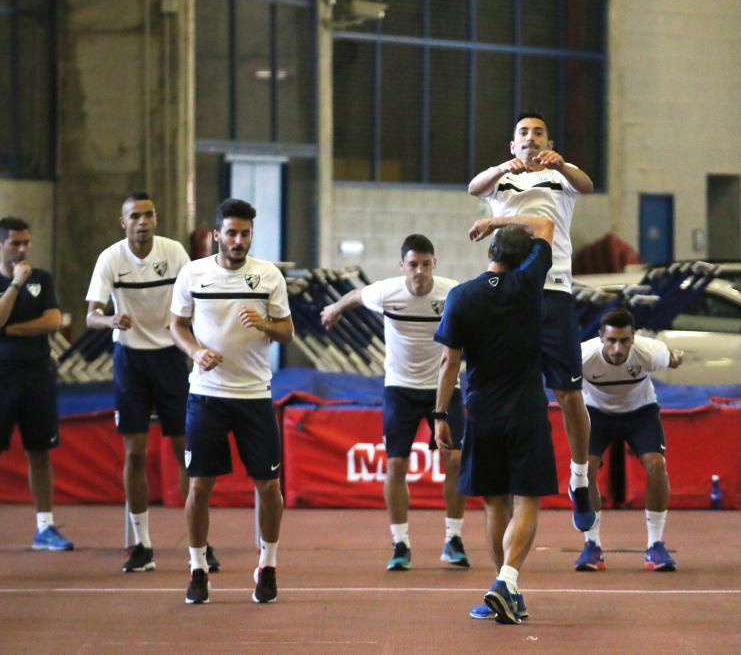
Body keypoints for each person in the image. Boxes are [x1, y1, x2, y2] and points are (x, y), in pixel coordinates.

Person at [468, 112, 596, 532]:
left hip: (553, 288)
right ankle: (508, 482)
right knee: (513, 391)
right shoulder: (500, 179)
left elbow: (587, 185)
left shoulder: (561, 177)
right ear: (512, 144)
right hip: (507, 288)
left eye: (538, 132)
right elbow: (473, 187)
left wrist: (561, 164)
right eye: (522, 132)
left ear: (548, 140)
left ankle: (579, 478)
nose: (530, 137)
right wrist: (505, 168)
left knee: (569, 394)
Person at [86, 192, 219, 574]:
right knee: (135, 453)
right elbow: (92, 315)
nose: (143, 222)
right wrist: (110, 320)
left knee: (185, 451)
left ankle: (201, 543)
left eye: (149, 215)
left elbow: (199, 295)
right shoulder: (110, 259)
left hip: (170, 358)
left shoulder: (174, 252)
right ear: (123, 222)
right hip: (130, 360)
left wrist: (190, 329)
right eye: (135, 216)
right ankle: (142, 544)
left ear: (155, 220)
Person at [433, 214, 556, 625]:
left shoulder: (461, 296)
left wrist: (439, 416)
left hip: (481, 411)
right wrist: (497, 219)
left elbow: (449, 362)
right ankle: (507, 581)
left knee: (493, 503)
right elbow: (544, 224)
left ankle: (503, 588)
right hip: (526, 408)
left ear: (489, 252)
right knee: (526, 500)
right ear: (524, 260)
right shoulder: (528, 283)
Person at [169, 199, 293, 605]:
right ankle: (198, 568)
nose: (238, 241)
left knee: (269, 485)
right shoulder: (194, 274)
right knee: (200, 485)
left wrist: (265, 324)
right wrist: (195, 352)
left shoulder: (268, 276)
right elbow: (177, 325)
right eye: (232, 233)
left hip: (255, 395)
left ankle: (268, 565)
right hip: (207, 395)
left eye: (245, 234)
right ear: (216, 234)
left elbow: (287, 333)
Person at [320, 234, 469, 571]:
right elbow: (357, 295)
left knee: (455, 460)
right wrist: (334, 309)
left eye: (425, 264)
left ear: (435, 264)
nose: (419, 272)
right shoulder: (387, 292)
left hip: (443, 388)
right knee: (396, 465)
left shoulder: (452, 293)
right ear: (402, 266)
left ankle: (453, 538)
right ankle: (400, 543)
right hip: (400, 388)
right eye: (413, 265)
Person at [572, 308, 682, 573]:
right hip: (595, 413)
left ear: (634, 338)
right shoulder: (583, 356)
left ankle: (655, 544)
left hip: (639, 412)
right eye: (611, 341)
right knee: (588, 470)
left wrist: (675, 359)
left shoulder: (649, 351)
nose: (617, 348)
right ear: (600, 338)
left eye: (624, 341)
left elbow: (672, 359)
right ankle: (592, 546)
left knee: (656, 466)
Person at [0, 217, 74, 552]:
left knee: (40, 451)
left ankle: (44, 527)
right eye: (15, 243)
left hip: (37, 376)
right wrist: (15, 285)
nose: (22, 249)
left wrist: (10, 329)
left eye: (26, 242)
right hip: (2, 377)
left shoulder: (42, 278)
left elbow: (54, 321)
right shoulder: (19, 280)